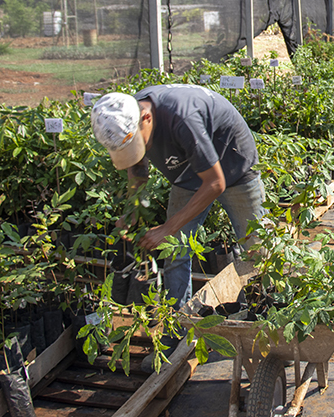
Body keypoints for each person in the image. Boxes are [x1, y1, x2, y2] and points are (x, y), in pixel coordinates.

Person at [91, 84, 265, 309]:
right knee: (174, 250)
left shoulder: (181, 118)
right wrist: (132, 211)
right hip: (189, 171)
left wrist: (166, 228)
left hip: (234, 164)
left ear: (146, 118)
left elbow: (215, 183)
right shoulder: (125, 116)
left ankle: (263, 313)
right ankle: (178, 320)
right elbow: (138, 171)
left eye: (136, 142)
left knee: (256, 248)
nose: (138, 147)